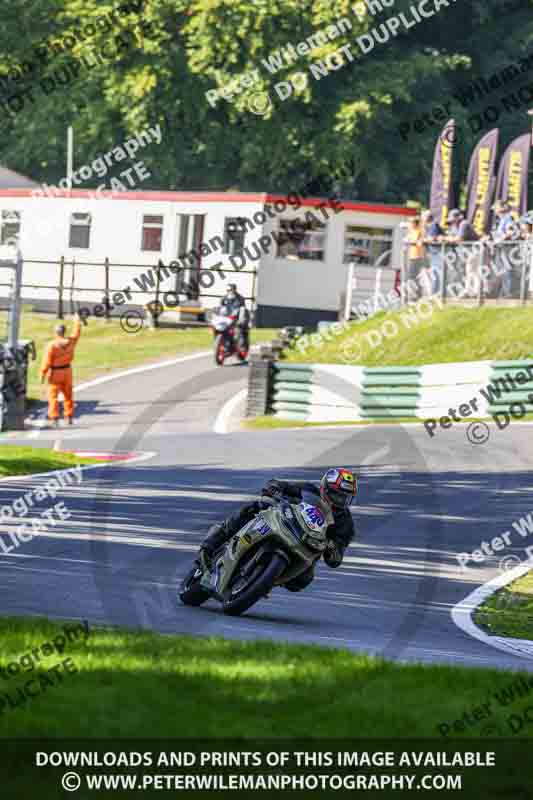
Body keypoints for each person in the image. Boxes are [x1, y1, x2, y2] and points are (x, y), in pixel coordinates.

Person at [197, 468, 358, 592]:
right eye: (337, 495)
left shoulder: (345, 523)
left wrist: (333, 550)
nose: (339, 501)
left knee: (303, 581)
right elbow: (284, 486)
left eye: (345, 498)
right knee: (258, 505)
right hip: (283, 521)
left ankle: (262, 581)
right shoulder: (309, 490)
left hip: (306, 548)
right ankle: (213, 542)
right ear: (325, 488)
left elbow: (337, 557)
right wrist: (274, 487)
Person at [40, 313, 82, 428]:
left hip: (55, 373)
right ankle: (69, 417)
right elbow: (77, 333)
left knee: (53, 396)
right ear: (64, 332)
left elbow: (47, 361)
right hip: (67, 371)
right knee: (68, 395)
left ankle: (54, 418)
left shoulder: (52, 345)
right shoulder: (71, 342)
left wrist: (43, 373)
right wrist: (77, 321)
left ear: (56, 332)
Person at [221, 283, 249, 351]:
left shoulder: (240, 298)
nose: (229, 291)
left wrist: (241, 319)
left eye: (230, 290)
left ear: (234, 290)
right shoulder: (224, 298)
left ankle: (243, 345)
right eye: (227, 290)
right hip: (228, 317)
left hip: (239, 316)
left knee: (240, 327)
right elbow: (221, 307)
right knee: (221, 328)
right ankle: (222, 343)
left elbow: (243, 309)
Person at [422, 210, 444, 295]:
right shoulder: (428, 227)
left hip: (439, 253)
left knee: (437, 274)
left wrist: (422, 240)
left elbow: (432, 238)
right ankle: (434, 293)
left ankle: (436, 293)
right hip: (433, 254)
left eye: (423, 217)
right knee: (432, 273)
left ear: (427, 218)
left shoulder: (434, 225)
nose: (422, 219)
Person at [406, 216, 426, 300]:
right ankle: (412, 294)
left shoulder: (419, 231)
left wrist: (411, 242)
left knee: (416, 277)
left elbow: (419, 243)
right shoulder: (412, 231)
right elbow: (407, 239)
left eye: (411, 222)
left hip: (418, 256)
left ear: (415, 223)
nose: (410, 224)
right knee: (411, 277)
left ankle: (417, 295)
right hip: (412, 256)